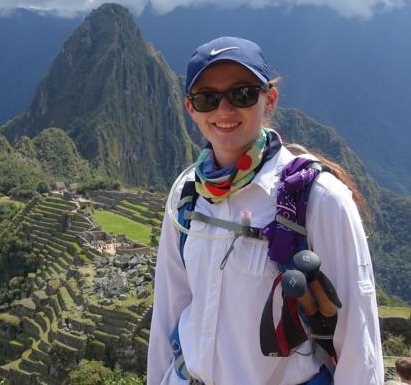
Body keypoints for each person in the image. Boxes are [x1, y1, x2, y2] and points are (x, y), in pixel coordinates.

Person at [147, 37, 383, 384]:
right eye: (207, 99)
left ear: (268, 99)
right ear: (190, 108)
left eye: (242, 94)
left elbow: (358, 342)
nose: (224, 111)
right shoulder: (187, 193)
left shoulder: (320, 199)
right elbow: (170, 309)